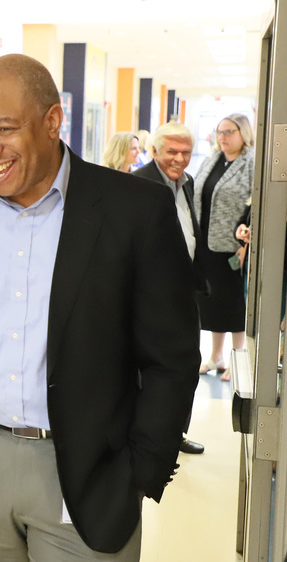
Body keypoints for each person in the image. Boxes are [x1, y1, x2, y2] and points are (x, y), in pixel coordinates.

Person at [0, 54, 200, 560]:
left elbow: (171, 359)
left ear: (51, 121)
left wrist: (139, 470)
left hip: (87, 475)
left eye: (4, 129)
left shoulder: (135, 211)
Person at [133, 121, 207, 455]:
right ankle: (150, 436)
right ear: (154, 151)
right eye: (172, 152)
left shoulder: (187, 183)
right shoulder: (136, 184)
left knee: (187, 364)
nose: (179, 158)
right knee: (153, 371)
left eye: (186, 152)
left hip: (184, 293)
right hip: (150, 296)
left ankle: (176, 432)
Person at [193, 113, 255, 381]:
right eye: (219, 132)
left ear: (243, 133)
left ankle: (236, 359)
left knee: (234, 305)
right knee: (212, 302)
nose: (223, 137)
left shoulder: (251, 163)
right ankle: (215, 355)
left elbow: (255, 204)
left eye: (229, 132)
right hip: (206, 242)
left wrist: (246, 243)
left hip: (234, 246)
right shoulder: (212, 159)